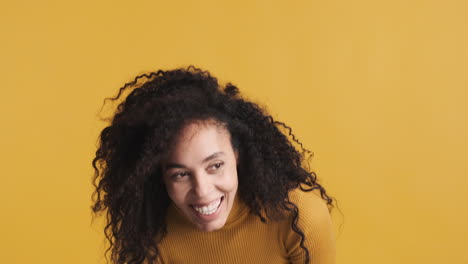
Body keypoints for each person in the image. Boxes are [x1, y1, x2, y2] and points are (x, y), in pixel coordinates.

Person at [92, 66, 336, 264]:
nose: (203, 190)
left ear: (237, 154)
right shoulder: (150, 236)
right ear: (159, 175)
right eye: (180, 174)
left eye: (215, 166)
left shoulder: (298, 218)